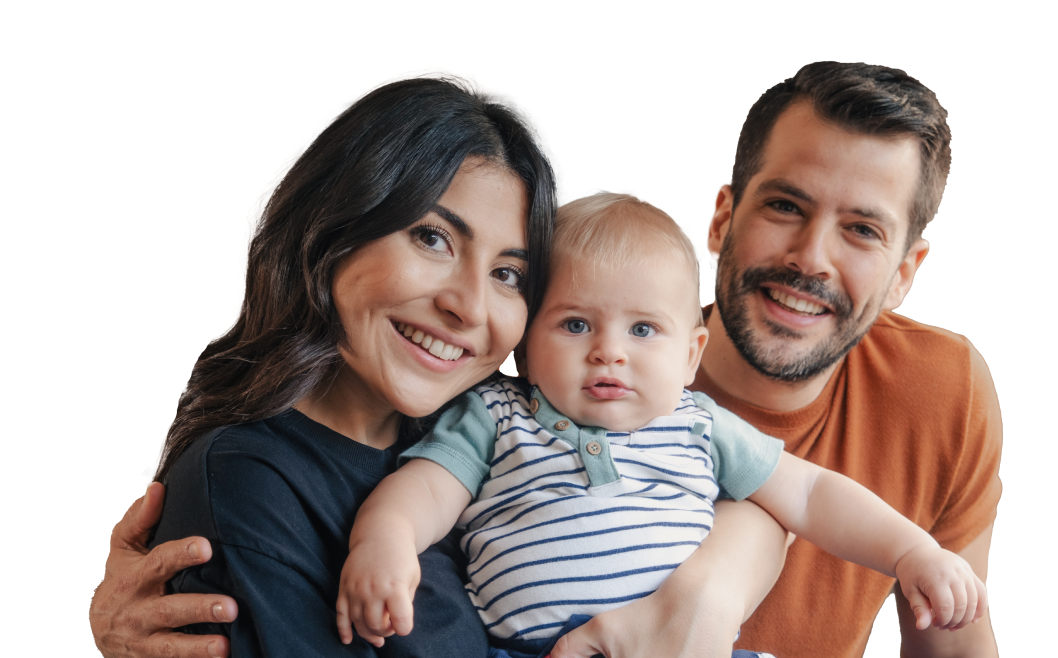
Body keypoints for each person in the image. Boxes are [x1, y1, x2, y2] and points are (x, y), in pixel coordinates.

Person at [88, 70, 791, 658]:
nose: (468, 306)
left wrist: (704, 593)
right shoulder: (252, 482)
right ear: (331, 228)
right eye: (431, 237)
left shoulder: (481, 430)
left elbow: (757, 498)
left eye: (510, 275)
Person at [337, 191, 987, 658]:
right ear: (525, 347)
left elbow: (813, 494)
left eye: (643, 329)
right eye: (574, 324)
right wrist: (384, 542)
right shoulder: (497, 416)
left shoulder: (699, 425)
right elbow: (423, 489)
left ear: (690, 355)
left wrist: (912, 552)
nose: (609, 351)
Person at [546, 63, 1002, 658]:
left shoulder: (942, 389)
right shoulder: (565, 371)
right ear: (722, 219)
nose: (810, 258)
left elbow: (953, 645)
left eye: (862, 230)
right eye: (786, 206)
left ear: (904, 274)